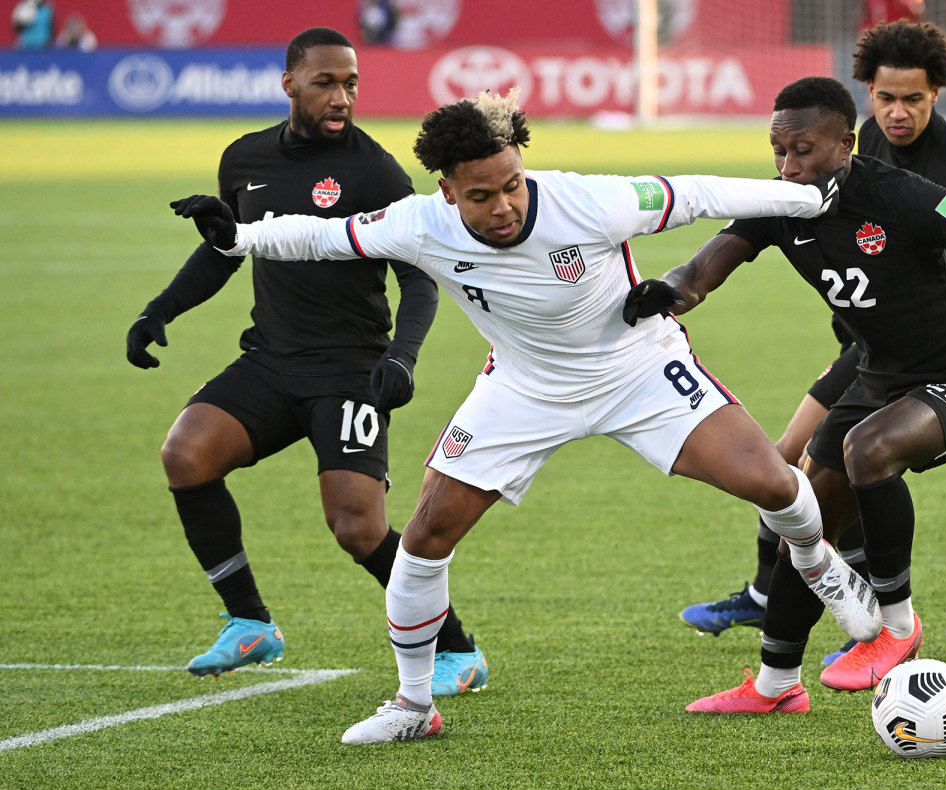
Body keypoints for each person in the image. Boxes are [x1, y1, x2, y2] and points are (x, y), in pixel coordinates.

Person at [171, 87, 878, 743]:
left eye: (512, 184)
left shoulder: (587, 201)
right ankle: (413, 706)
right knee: (422, 539)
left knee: (775, 484)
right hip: (523, 389)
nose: (505, 205)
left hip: (637, 371)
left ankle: (819, 566)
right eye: (482, 195)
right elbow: (324, 235)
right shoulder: (418, 223)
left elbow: (699, 194)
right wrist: (239, 239)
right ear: (448, 191)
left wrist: (808, 199)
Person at [631, 76, 946, 711]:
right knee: (807, 520)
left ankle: (898, 626)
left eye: (803, 151)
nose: (789, 167)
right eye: (779, 151)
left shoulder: (904, 195)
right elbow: (703, 268)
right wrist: (669, 291)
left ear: (845, 145)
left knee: (867, 449)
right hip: (876, 379)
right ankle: (775, 685)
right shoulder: (777, 203)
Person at [126, 27, 488, 696]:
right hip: (270, 359)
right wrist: (160, 310)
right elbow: (227, 247)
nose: (341, 96)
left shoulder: (376, 172)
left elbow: (418, 278)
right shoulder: (245, 158)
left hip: (349, 371)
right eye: (326, 82)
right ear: (290, 83)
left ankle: (457, 649)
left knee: (357, 528)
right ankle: (249, 622)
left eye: (351, 83)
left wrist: (402, 357)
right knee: (186, 454)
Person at [679, 21, 946, 671]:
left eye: (913, 99)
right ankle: (770, 598)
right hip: (873, 344)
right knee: (789, 465)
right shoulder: (852, 141)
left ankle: (872, 612)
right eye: (885, 98)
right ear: (866, 97)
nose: (897, 113)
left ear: (936, 95)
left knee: (855, 460)